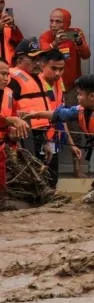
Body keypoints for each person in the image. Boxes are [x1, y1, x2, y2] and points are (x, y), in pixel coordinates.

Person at [39, 8, 90, 177]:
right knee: (49, 126)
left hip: (72, 90)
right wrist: (54, 44)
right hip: (51, 88)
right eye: (52, 20)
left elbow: (86, 55)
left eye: (58, 21)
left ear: (67, 23)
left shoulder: (74, 34)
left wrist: (79, 42)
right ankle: (48, 170)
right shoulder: (46, 36)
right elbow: (43, 54)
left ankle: (78, 167)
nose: (54, 24)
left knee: (75, 127)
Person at [8, 38, 56, 185]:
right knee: (25, 179)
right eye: (33, 58)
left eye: (39, 58)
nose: (37, 63)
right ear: (20, 59)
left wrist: (46, 142)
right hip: (22, 138)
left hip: (38, 137)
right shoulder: (11, 80)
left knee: (39, 176)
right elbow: (7, 112)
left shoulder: (39, 80)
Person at [39, 50, 82, 179]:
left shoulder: (59, 83)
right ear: (43, 65)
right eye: (53, 68)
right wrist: (43, 141)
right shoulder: (37, 86)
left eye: (61, 69)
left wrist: (71, 145)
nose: (57, 73)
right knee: (43, 179)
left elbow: (61, 116)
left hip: (54, 140)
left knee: (52, 178)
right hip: (39, 141)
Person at [0, 60, 31, 199]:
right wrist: (10, 121)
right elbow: (9, 119)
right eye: (2, 74)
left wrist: (12, 131)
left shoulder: (9, 94)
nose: (6, 78)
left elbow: (12, 117)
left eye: (7, 74)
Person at [0, 0, 23, 65]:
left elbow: (21, 44)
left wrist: (13, 27)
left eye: (1, 2)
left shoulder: (7, 21)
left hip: (9, 66)